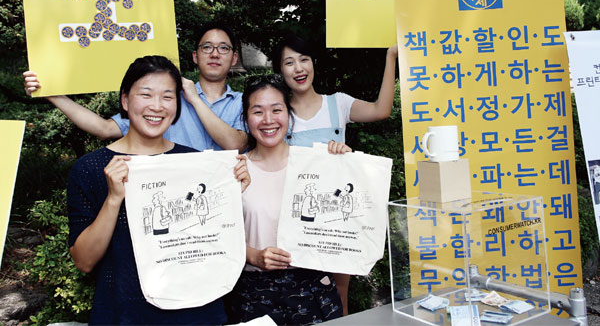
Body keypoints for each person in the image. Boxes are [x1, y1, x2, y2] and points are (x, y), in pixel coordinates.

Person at [67, 55, 249, 325]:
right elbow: (84, 261)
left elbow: (212, 238)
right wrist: (114, 199)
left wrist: (231, 190)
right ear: (125, 100)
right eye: (146, 94)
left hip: (196, 312)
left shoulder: (195, 163)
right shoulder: (91, 168)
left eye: (167, 96)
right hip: (125, 314)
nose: (157, 106)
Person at [271, 35, 398, 314]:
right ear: (280, 70)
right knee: (297, 300)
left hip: (337, 223)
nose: (298, 68)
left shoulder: (337, 104)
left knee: (339, 300)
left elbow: (381, 110)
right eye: (289, 62)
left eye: (304, 59)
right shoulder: (279, 115)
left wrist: (391, 57)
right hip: (297, 223)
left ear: (313, 63)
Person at [229, 74, 350, 325]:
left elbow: (342, 225)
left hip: (313, 290)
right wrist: (254, 256)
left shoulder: (316, 163)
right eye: (258, 111)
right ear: (246, 118)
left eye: (277, 110)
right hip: (255, 294)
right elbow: (217, 239)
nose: (268, 120)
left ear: (289, 114)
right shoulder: (234, 170)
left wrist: (348, 165)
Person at [23, 22, 247, 152]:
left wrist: (194, 99)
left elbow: (235, 144)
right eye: (207, 47)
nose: (215, 54)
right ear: (195, 56)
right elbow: (104, 129)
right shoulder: (166, 100)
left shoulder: (243, 102)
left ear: (234, 58)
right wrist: (51, 94)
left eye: (223, 48)